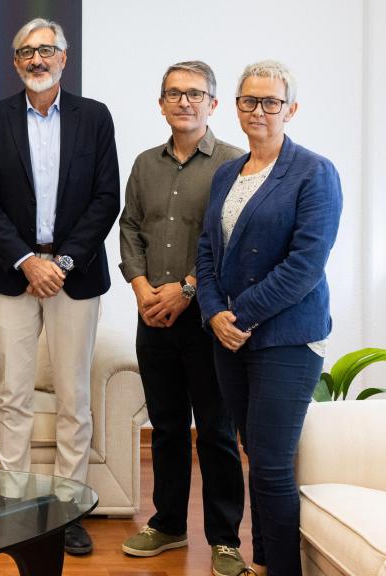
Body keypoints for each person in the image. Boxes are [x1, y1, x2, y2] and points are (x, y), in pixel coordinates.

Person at [0, 17, 119, 556]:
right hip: (13, 275)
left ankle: (67, 507)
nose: (37, 59)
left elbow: (107, 198)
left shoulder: (94, 117)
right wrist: (29, 260)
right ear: (15, 62)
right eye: (27, 52)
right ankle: (13, 505)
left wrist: (66, 261)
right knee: (14, 394)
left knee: (74, 396)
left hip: (75, 278)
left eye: (47, 50)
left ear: (64, 57)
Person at [196, 60, 342, 575]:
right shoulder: (226, 172)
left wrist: (238, 315)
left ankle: (284, 570)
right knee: (255, 457)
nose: (258, 111)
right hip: (230, 337)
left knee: (274, 465)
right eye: (248, 101)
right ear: (234, 107)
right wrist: (213, 312)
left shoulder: (314, 171)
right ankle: (263, 562)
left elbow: (305, 265)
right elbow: (208, 250)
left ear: (291, 109)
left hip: (286, 337)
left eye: (270, 102)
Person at [117, 61, 247, 574]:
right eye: (174, 93)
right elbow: (129, 228)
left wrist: (186, 289)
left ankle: (225, 538)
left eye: (196, 94)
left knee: (215, 429)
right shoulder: (145, 164)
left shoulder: (235, 164)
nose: (184, 102)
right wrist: (143, 287)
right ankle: (168, 524)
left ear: (213, 104)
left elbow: (228, 241)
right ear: (161, 103)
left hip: (207, 320)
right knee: (167, 427)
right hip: (153, 318)